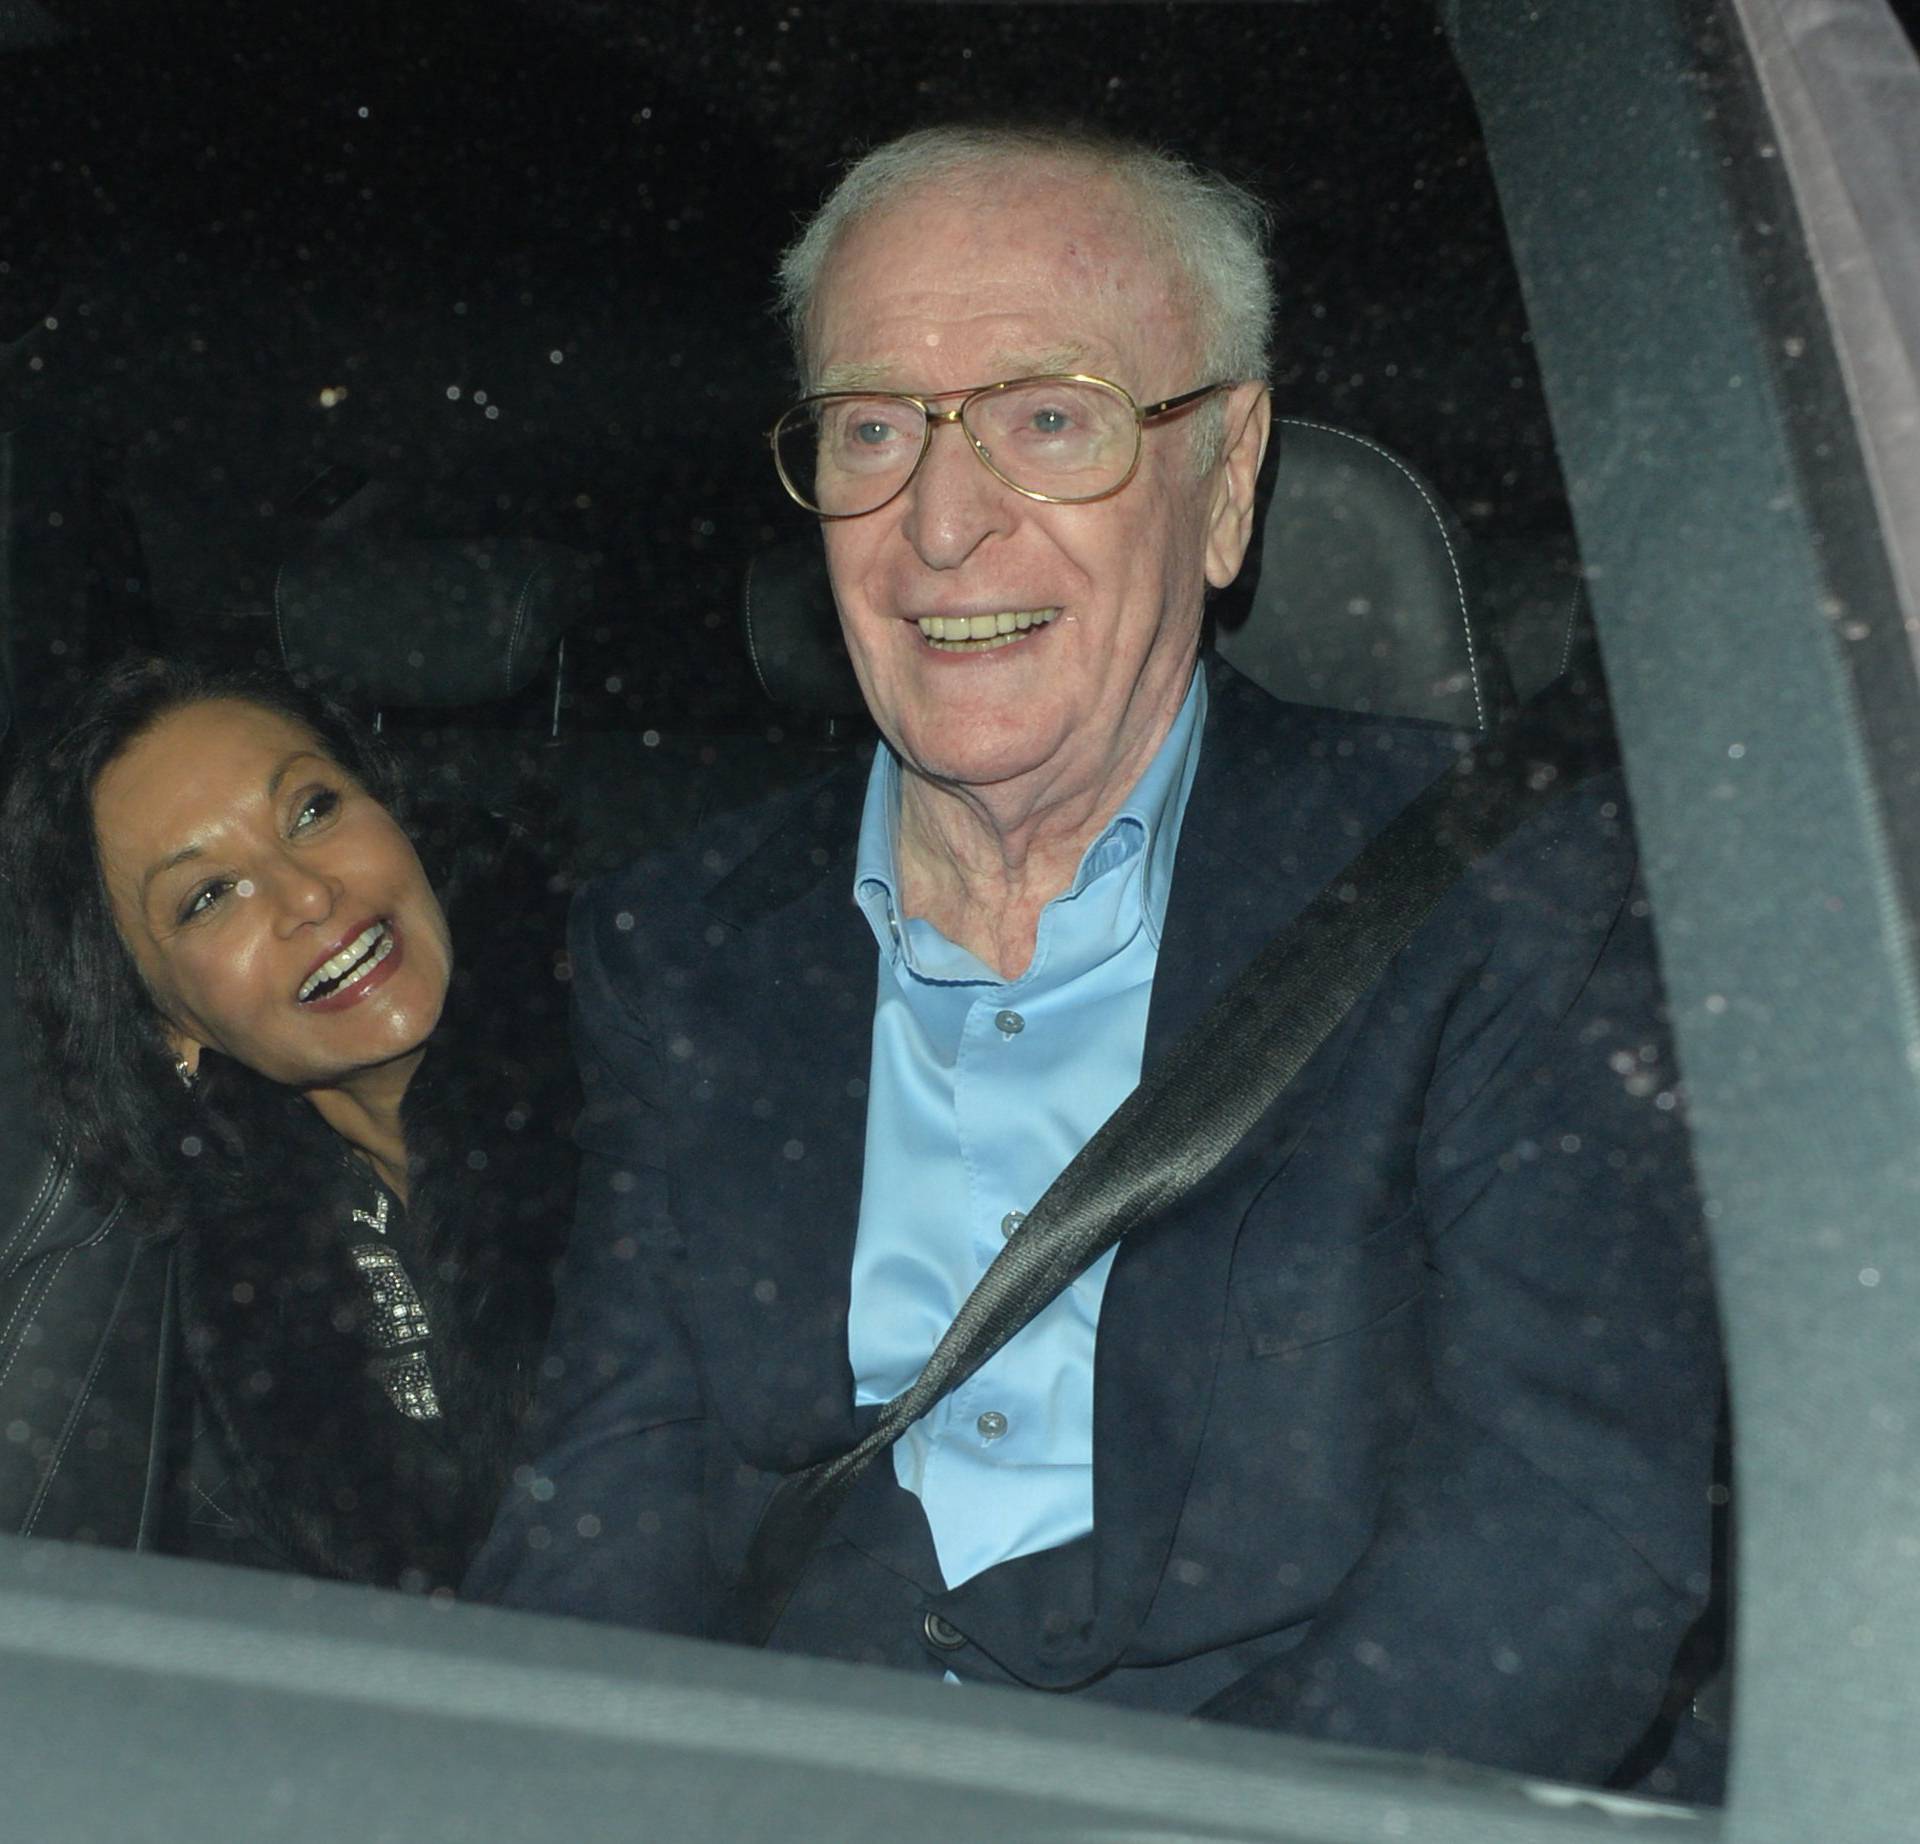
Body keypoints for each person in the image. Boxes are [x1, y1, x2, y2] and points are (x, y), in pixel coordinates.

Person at [467, 123, 1721, 1784]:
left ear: (1229, 476)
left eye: (1048, 420)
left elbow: (1567, 1538)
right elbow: (605, 1501)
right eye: (871, 429)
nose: (939, 527)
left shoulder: (1501, 890)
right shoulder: (677, 940)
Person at [0, 658, 576, 1590]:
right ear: (164, 1025)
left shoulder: (664, 1072)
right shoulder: (200, 1300)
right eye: (208, 896)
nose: (308, 896)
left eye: (312, 811)